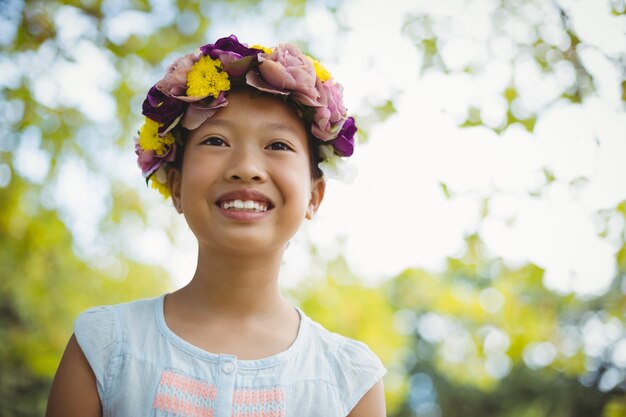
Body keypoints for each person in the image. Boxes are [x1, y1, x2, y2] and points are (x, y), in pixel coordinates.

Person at [46, 35, 386, 417]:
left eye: (277, 145)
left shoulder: (350, 381)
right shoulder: (104, 347)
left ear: (314, 196)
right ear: (175, 185)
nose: (246, 167)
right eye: (216, 140)